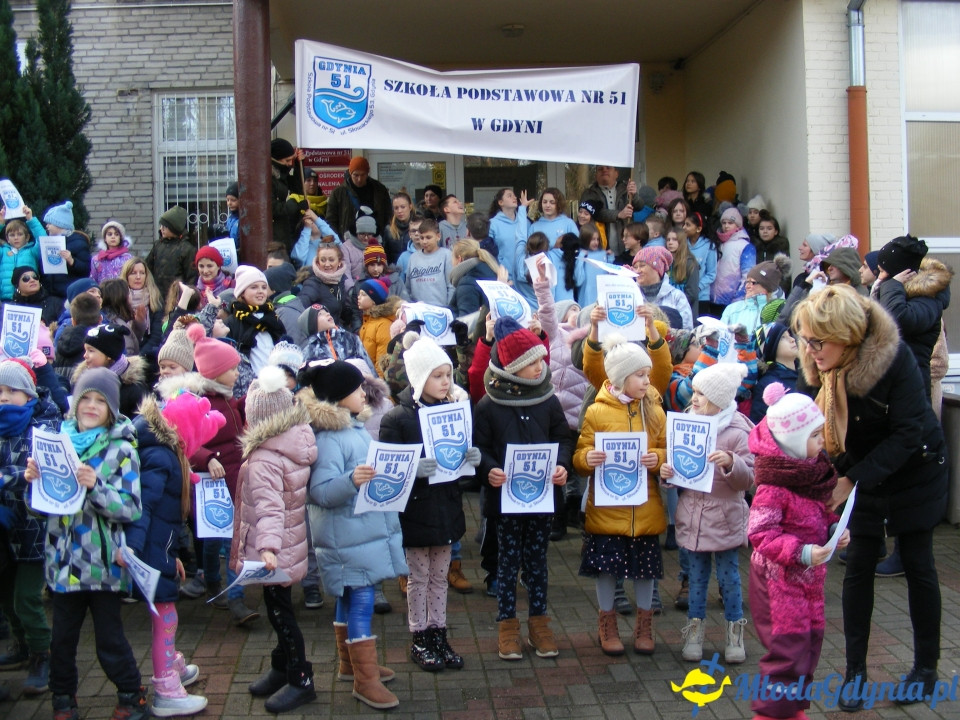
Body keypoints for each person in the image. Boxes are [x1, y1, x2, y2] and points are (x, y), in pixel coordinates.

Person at [792, 285, 947, 710]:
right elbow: (814, 423)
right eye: (806, 340)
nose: (810, 350)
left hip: (916, 467)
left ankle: (927, 669)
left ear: (847, 335)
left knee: (918, 563)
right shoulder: (821, 360)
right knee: (858, 564)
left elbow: (909, 433)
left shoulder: (892, 360)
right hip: (862, 471)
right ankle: (855, 674)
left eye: (818, 342)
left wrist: (850, 480)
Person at [25, 369, 147, 720]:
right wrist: (34, 485)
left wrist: (95, 486)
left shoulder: (122, 449)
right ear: (74, 403)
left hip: (102, 564)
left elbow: (130, 507)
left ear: (111, 408)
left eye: (100, 400)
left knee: (109, 639)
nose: (91, 406)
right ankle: (63, 699)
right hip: (63, 563)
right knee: (61, 641)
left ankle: (130, 695)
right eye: (85, 398)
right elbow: (40, 511)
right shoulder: (55, 444)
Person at [301, 359, 408, 710]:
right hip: (346, 536)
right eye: (357, 388)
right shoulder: (332, 439)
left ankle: (352, 666)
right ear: (340, 396)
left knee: (349, 597)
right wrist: (351, 481)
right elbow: (320, 492)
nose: (365, 393)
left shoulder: (351, 429)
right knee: (361, 599)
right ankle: (366, 680)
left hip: (354, 533)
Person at [473, 317, 572, 662]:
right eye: (532, 362)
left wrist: (562, 464)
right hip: (505, 502)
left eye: (541, 359)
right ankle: (507, 625)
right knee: (506, 563)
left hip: (542, 500)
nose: (540, 366)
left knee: (537, 562)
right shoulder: (488, 406)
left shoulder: (548, 400)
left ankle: (539, 623)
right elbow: (478, 448)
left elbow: (563, 437)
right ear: (513, 367)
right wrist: (489, 470)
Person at [747, 382, 848, 720]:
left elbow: (819, 512)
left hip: (806, 579)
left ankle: (791, 711)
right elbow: (760, 533)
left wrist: (834, 528)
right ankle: (771, 715)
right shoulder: (774, 485)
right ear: (791, 439)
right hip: (779, 581)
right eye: (815, 435)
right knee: (787, 650)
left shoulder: (808, 473)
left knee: (809, 643)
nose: (822, 442)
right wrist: (802, 551)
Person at [379, 336, 477, 672]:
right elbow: (387, 471)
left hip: (446, 508)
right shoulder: (397, 419)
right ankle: (419, 637)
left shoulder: (453, 412)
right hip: (416, 511)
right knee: (419, 577)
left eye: (448, 375)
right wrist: (412, 469)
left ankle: (439, 633)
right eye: (437, 376)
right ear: (420, 378)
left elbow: (458, 469)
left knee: (440, 575)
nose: (445, 382)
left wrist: (469, 460)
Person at [126, 392, 225, 717]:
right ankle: (166, 686)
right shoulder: (162, 456)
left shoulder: (165, 450)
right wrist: (134, 552)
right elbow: (145, 508)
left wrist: (173, 556)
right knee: (165, 618)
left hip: (159, 549)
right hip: (148, 553)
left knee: (166, 618)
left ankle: (170, 663)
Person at [160, 326, 260, 626]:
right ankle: (225, 590)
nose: (236, 373)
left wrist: (246, 404)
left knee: (227, 540)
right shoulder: (194, 401)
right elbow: (183, 440)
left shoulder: (227, 398)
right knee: (219, 539)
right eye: (231, 369)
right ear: (216, 373)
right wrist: (206, 458)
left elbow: (234, 427)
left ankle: (226, 591)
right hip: (210, 482)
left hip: (233, 479)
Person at [573, 335, 666, 656]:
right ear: (619, 377)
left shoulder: (654, 410)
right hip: (607, 509)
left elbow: (668, 450)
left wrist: (658, 459)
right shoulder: (597, 412)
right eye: (640, 375)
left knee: (645, 570)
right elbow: (580, 453)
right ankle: (607, 623)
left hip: (644, 508)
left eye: (648, 375)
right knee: (606, 570)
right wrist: (588, 459)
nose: (646, 381)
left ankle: (644, 624)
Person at [234, 366, 318, 713]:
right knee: (277, 608)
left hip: (276, 549)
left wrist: (268, 547)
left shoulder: (266, 458)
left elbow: (270, 508)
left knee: (281, 614)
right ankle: (281, 666)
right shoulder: (294, 443)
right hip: (290, 540)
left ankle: (301, 678)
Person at [661, 362, 753, 665]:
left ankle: (734, 632)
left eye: (702, 393)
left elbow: (749, 479)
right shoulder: (687, 423)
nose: (694, 397)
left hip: (725, 516)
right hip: (693, 516)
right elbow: (677, 474)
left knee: (730, 580)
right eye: (695, 391)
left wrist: (730, 462)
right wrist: (667, 472)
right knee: (696, 579)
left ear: (720, 397)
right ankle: (694, 632)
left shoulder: (738, 431)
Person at [0, 359, 61, 695]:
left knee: (26, 598)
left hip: (34, 532)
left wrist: (7, 480)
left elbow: (45, 475)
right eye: (0, 391)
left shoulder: (43, 429)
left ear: (28, 394)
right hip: (4, 532)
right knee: (7, 598)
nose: (5, 397)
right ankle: (21, 646)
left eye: (12, 390)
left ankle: (43, 653)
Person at [73, 323, 149, 419]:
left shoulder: (133, 391)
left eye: (91, 351)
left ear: (109, 356)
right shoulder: (83, 382)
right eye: (85, 350)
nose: (85, 355)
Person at [721, 255, 791, 337]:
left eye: (752, 282)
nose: (747, 286)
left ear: (767, 287)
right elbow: (721, 337)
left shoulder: (778, 312)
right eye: (747, 282)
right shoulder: (732, 309)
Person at [326, 156, 392, 241]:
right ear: (350, 173)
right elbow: (331, 220)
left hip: (375, 239)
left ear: (368, 173)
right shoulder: (338, 193)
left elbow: (388, 215)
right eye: (356, 175)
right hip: (348, 241)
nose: (359, 179)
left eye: (363, 175)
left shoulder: (380, 190)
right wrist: (338, 241)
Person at [579, 166, 640, 257]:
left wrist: (634, 195)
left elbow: (640, 206)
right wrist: (618, 214)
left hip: (625, 246)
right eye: (600, 169)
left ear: (616, 173)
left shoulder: (625, 189)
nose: (604, 170)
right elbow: (597, 214)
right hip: (601, 248)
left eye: (608, 168)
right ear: (596, 175)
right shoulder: (590, 193)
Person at [40, 201, 93, 306]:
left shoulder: (78, 243)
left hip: (68, 296)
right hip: (50, 294)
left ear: (60, 224)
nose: (47, 226)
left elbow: (86, 269)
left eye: (50, 223)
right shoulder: (49, 241)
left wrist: (72, 261)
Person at [709, 207, 755, 317]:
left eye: (730, 223)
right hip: (714, 299)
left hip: (734, 301)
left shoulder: (745, 246)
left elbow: (748, 275)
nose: (726, 226)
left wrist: (739, 297)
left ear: (738, 225)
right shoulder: (717, 243)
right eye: (724, 222)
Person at [633, 246, 693, 329]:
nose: (638, 271)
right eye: (635, 267)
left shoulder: (676, 297)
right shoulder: (630, 295)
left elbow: (687, 331)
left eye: (642, 266)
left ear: (657, 269)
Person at [750, 322, 799, 423]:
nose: (792, 339)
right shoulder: (767, 384)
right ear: (771, 348)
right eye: (783, 338)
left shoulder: (806, 374)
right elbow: (759, 424)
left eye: (789, 335)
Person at [146, 206, 197, 300]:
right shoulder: (158, 245)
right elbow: (147, 268)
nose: (161, 229)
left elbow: (191, 277)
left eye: (165, 226)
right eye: (161, 225)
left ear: (174, 228)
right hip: (157, 297)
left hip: (177, 298)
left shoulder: (187, 249)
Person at [357, 278, 401, 376]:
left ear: (374, 300)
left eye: (363, 295)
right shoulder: (368, 321)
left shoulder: (383, 325)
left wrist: (378, 387)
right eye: (359, 294)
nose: (359, 297)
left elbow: (382, 362)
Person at [405, 219, 454, 307]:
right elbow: (407, 287)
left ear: (438, 236)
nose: (424, 241)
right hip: (418, 309)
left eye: (428, 237)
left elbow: (451, 286)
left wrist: (449, 308)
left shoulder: (446, 255)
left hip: (440, 309)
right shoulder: (413, 258)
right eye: (421, 238)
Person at [450, 238, 499, 317]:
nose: (451, 262)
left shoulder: (467, 283)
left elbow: (466, 323)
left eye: (452, 257)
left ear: (460, 259)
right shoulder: (492, 270)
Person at [664, 224, 700, 319]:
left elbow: (692, 293)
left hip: (685, 313)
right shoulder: (664, 263)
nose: (670, 243)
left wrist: (676, 305)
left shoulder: (690, 263)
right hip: (667, 312)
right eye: (668, 240)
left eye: (675, 239)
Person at [487, 188, 521, 276]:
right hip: (503, 275)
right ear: (500, 202)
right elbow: (488, 252)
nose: (514, 198)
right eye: (509, 196)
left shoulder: (525, 222)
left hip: (524, 277)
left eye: (514, 195)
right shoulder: (492, 224)